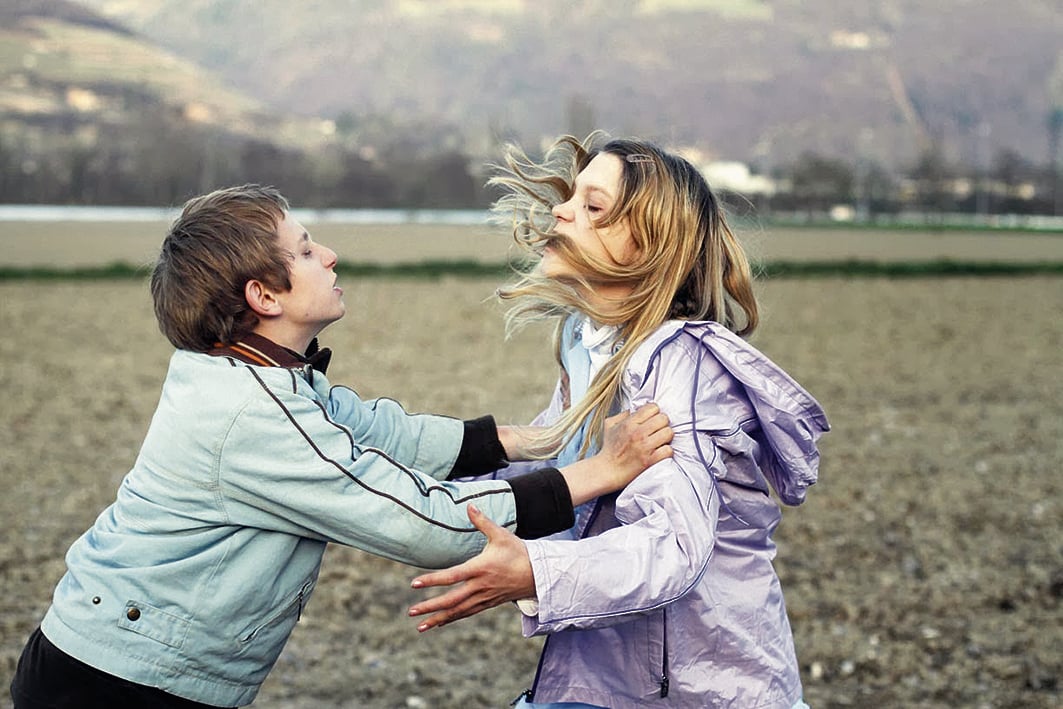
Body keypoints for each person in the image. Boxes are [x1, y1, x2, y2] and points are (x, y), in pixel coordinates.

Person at [8, 184, 674, 709]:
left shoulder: (269, 376)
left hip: (116, 661)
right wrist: (599, 470)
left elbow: (392, 435)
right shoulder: (252, 411)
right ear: (262, 294)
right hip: (112, 681)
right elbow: (423, 520)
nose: (327, 255)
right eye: (303, 250)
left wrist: (545, 435)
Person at [407, 136, 831, 708]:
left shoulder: (683, 365)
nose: (560, 211)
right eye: (571, 197)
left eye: (593, 206)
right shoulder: (586, 343)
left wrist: (536, 572)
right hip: (603, 677)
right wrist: (416, 498)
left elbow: (673, 545)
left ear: (647, 247)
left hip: (701, 687)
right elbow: (557, 477)